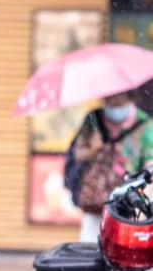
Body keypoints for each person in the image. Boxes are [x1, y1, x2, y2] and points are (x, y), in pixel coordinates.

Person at [66, 92, 153, 242]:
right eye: (108, 103)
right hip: (95, 199)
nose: (112, 108)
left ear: (129, 98)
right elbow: (77, 154)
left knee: (122, 249)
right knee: (90, 247)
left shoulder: (145, 124)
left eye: (117, 104)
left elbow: (150, 166)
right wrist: (93, 149)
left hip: (129, 202)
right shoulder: (94, 119)